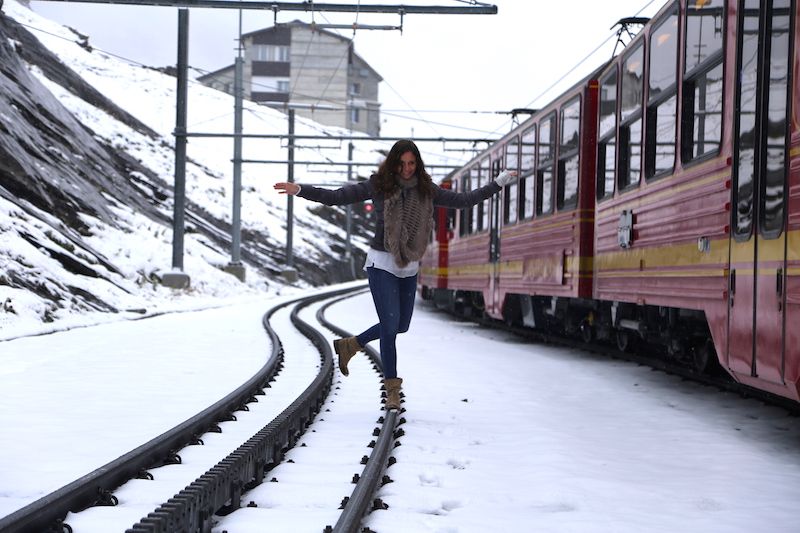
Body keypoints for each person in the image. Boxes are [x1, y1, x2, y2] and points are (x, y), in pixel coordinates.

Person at [274, 139, 517, 410]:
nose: (407, 169)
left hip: (409, 266)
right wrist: (300, 190)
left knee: (401, 326)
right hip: (381, 264)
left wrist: (498, 183)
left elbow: (463, 201)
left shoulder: (427, 190)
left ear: (418, 163)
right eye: (402, 164)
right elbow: (336, 197)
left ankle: (351, 344)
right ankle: (392, 392)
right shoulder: (379, 186)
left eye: (412, 163)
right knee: (389, 328)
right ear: (394, 163)